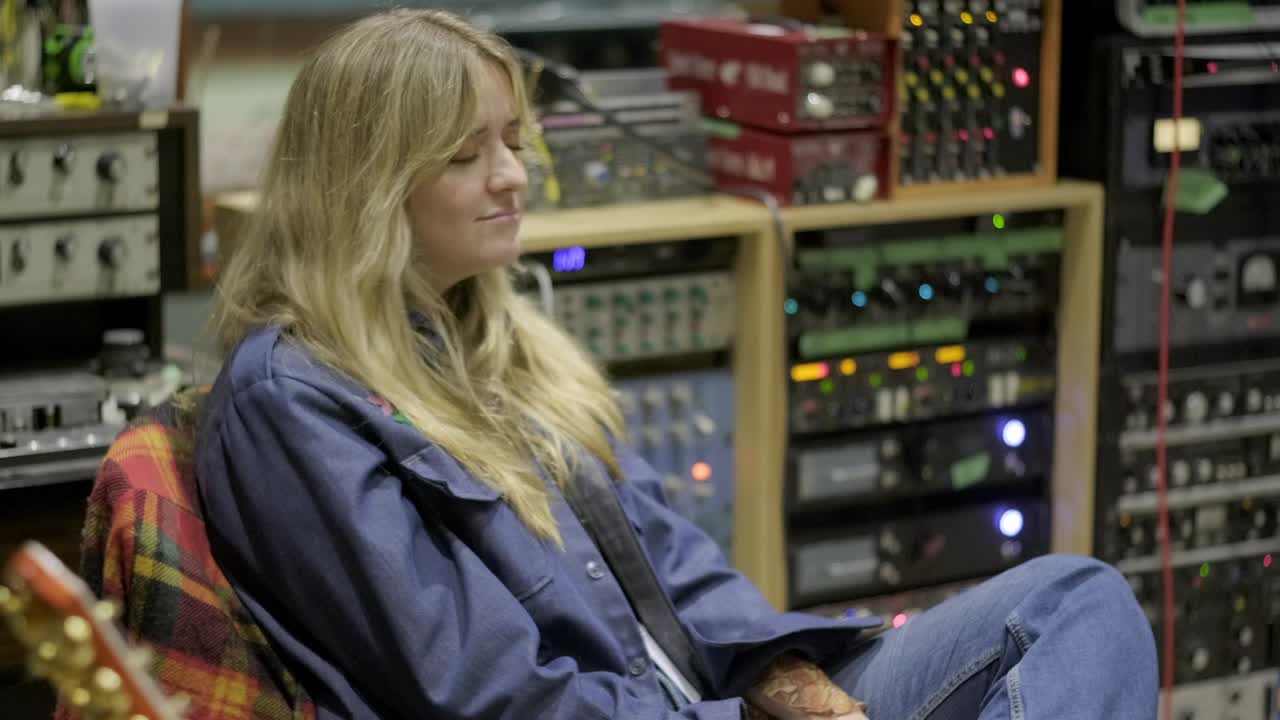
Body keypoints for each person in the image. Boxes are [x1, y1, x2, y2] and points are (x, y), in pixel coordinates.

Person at [195, 8, 1159, 720]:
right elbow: (480, 696)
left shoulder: (494, 343)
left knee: (1073, 600)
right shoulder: (294, 398)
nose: (512, 175)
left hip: (711, 698)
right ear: (365, 184)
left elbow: (675, 564)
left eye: (512, 141)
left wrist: (782, 677)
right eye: (464, 154)